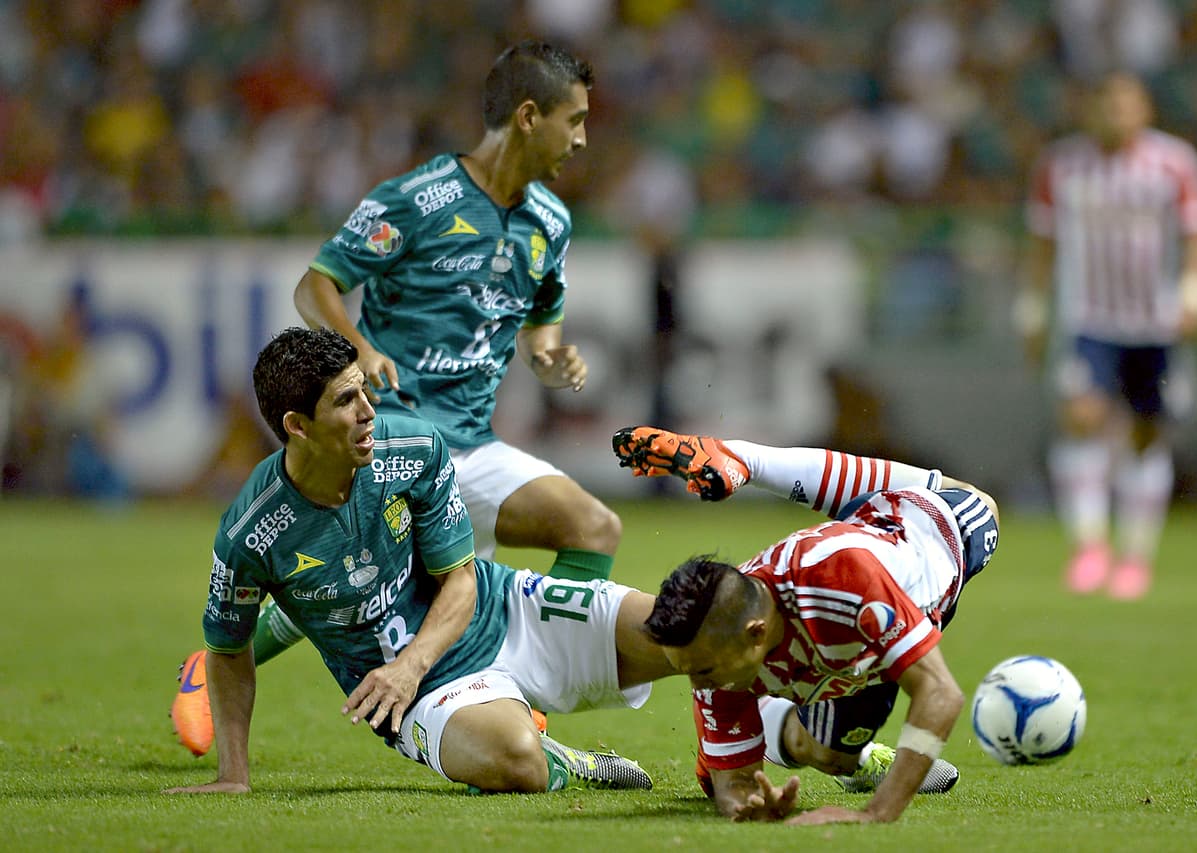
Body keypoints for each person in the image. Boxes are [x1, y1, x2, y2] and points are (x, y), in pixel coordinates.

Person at [173, 40, 621, 756]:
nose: (583, 138)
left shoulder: (552, 223)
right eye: (574, 120)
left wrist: (550, 353)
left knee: (588, 531)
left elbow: (542, 315)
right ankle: (220, 660)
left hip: (471, 443)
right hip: (392, 442)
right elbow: (314, 285)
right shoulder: (417, 200)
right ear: (529, 116)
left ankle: (507, 698)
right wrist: (358, 347)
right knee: (370, 580)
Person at [164, 327, 658, 797]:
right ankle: (565, 758)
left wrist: (409, 664)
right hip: (415, 693)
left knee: (678, 626)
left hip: (495, 608)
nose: (368, 412)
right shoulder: (249, 531)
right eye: (345, 400)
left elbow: (460, 579)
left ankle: (718, 763)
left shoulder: (412, 448)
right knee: (517, 760)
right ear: (297, 426)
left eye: (363, 391)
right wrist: (234, 775)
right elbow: (229, 650)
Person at [613, 425, 1000, 824]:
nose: (696, 686)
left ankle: (749, 460)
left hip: (919, 534)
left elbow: (940, 693)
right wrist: (748, 803)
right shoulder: (718, 637)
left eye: (704, 672)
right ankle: (846, 753)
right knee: (830, 755)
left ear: (756, 633)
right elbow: (735, 789)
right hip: (838, 629)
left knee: (982, 504)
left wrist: (876, 814)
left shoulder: (846, 586)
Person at [1017, 71, 1197, 600]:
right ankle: (1088, 545)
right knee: (1081, 417)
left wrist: (1195, 292)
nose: (1116, 114)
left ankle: (1134, 555)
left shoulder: (1174, 163)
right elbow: (1041, 243)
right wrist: (1033, 311)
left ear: (1145, 110)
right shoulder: (1061, 166)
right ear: (1089, 110)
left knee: (1147, 434)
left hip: (1156, 321)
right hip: (1089, 318)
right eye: (1106, 104)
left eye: (1126, 105)